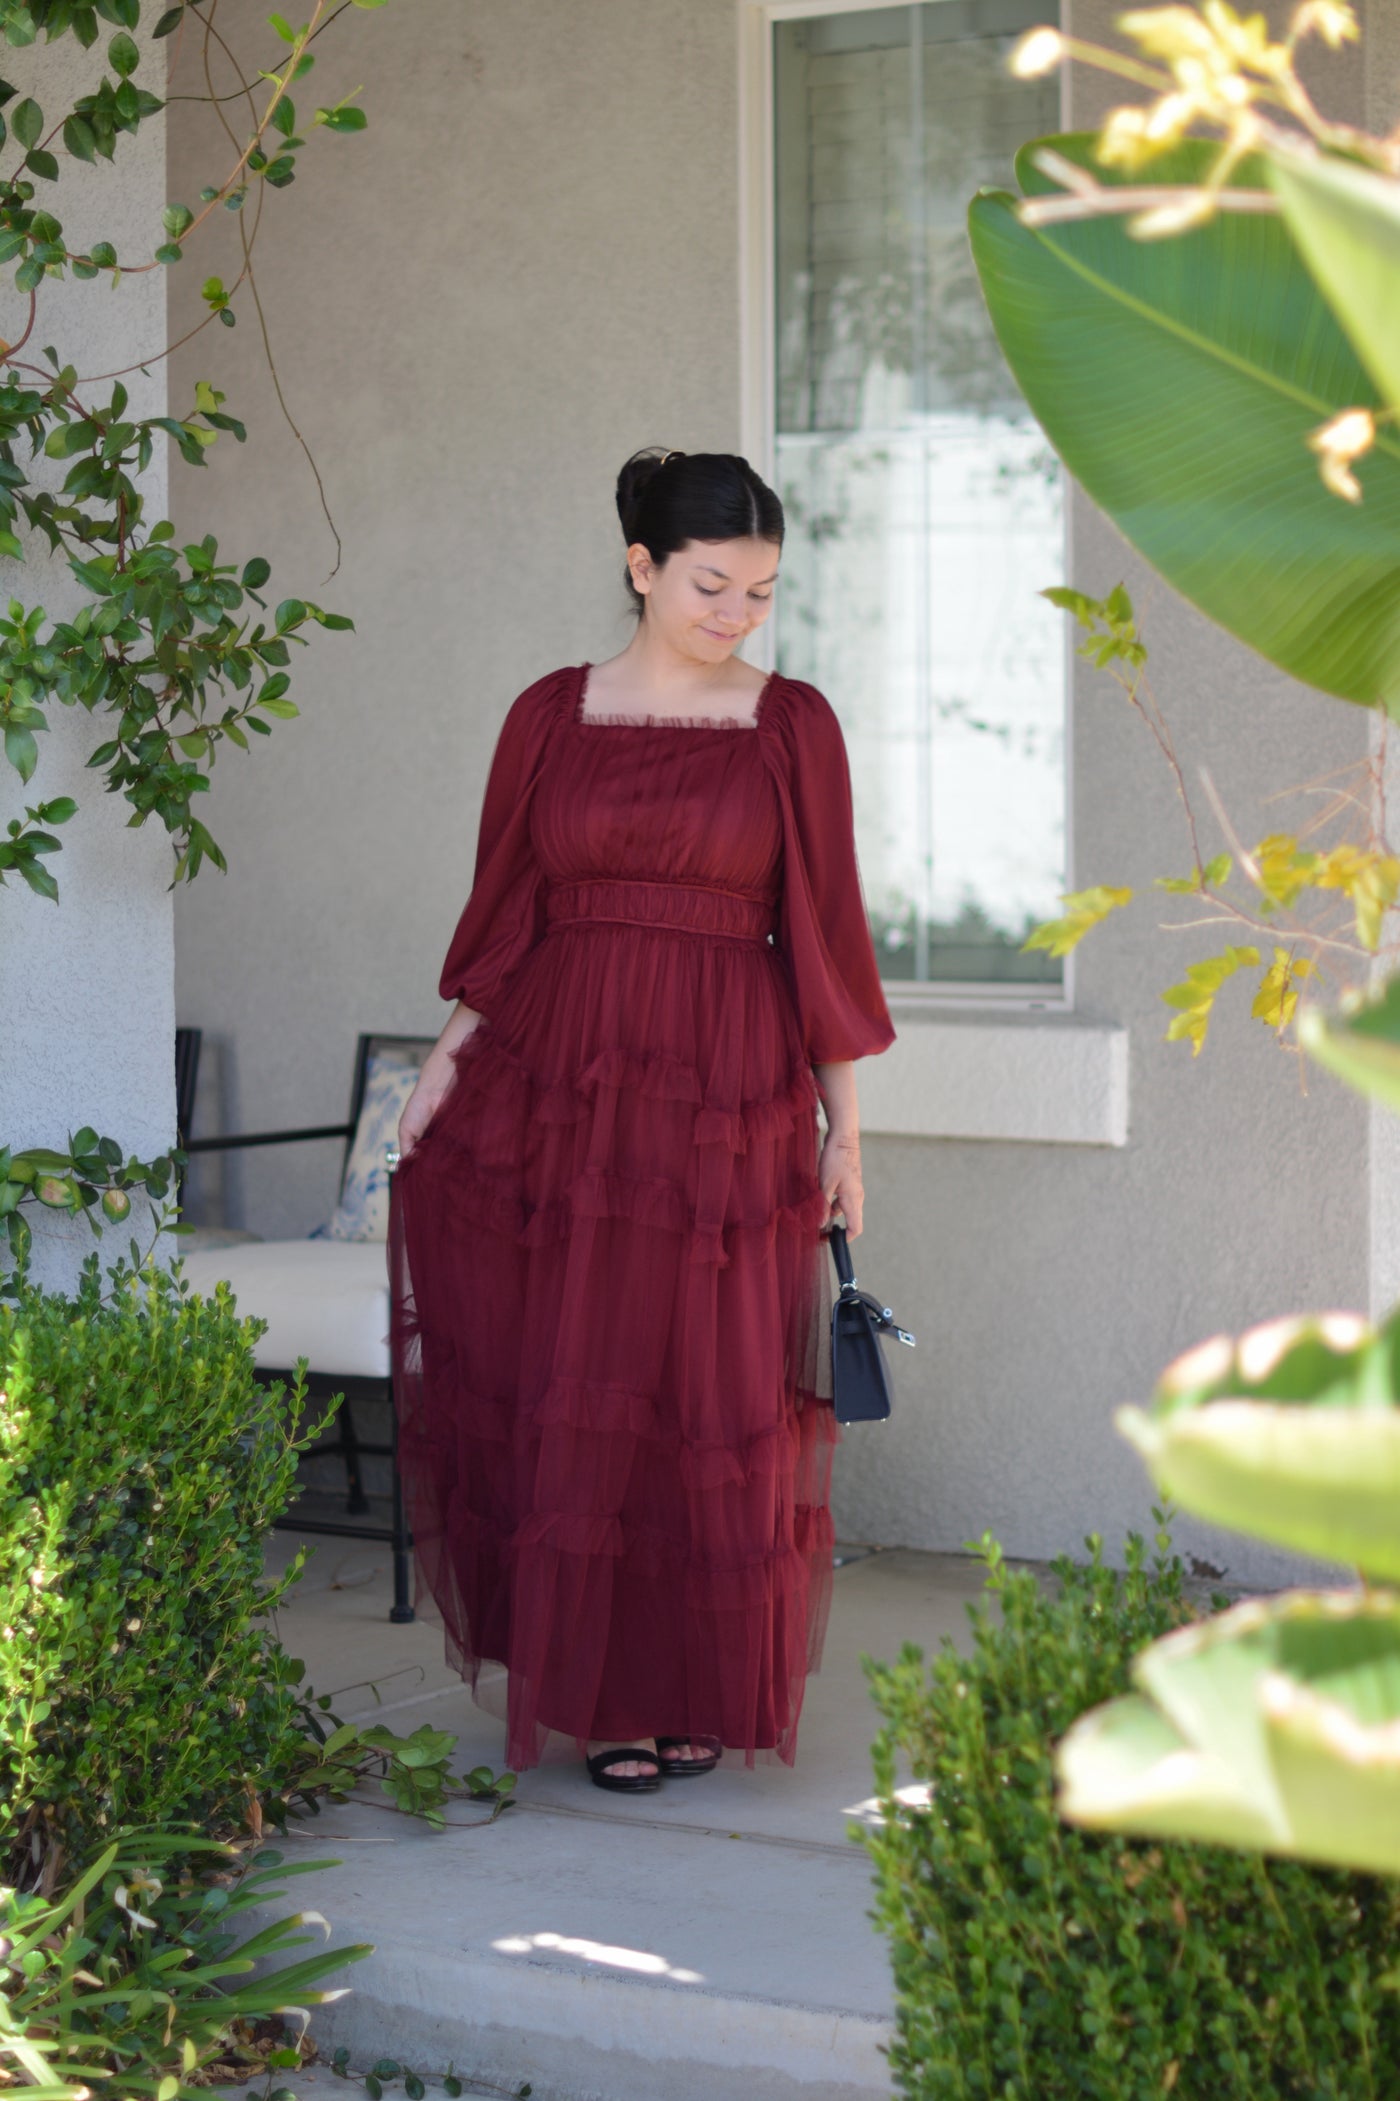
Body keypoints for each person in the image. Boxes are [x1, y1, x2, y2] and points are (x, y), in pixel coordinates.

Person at [388, 447, 895, 1794]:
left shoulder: (795, 726)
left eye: (763, 591)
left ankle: (688, 1685)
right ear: (640, 567)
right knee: (584, 1378)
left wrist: (848, 1133)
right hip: (568, 1080)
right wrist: (442, 1065)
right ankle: (610, 1691)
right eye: (712, 585)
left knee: (705, 1386)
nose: (738, 613)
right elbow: (508, 917)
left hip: (725, 1093)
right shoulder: (550, 716)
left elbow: (827, 940)